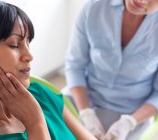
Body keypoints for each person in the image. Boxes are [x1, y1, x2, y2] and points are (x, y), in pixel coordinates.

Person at [0, 0, 97, 140]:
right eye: (14, 44)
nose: (29, 56)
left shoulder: (40, 94)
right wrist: (35, 123)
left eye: (28, 43)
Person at [65, 0, 158, 139]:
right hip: (84, 97)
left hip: (133, 111)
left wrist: (129, 122)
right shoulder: (94, 7)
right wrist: (86, 113)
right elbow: (75, 65)